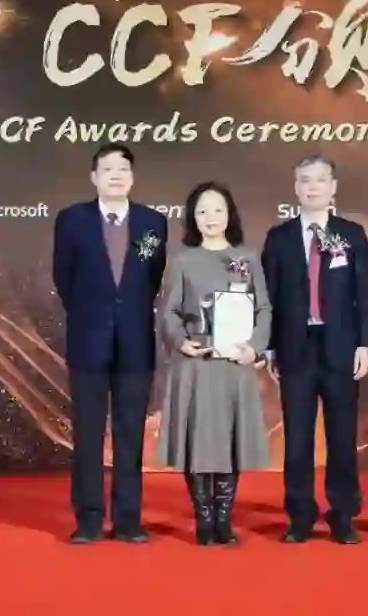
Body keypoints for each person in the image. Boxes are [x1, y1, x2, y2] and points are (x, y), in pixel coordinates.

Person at [52, 144, 168, 544]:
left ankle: (128, 519)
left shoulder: (153, 222)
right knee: (87, 435)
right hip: (88, 341)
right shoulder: (72, 220)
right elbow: (64, 279)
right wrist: (93, 314)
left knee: (130, 434)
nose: (116, 175)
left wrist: (126, 312)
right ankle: (88, 519)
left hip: (135, 342)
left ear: (131, 178)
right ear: (94, 177)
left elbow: (151, 280)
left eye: (123, 169)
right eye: (107, 169)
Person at [261, 155, 368, 544]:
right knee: (297, 437)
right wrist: (271, 346)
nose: (313, 187)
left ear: (333, 186)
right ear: (296, 187)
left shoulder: (351, 234)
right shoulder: (279, 237)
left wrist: (365, 343)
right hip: (295, 347)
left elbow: (363, 294)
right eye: (305, 180)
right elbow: (269, 297)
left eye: (320, 180)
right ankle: (300, 514)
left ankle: (343, 514)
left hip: (341, 345)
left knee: (342, 435)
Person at [156, 182, 272, 546]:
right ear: (193, 217)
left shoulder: (248, 258)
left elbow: (264, 308)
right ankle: (204, 518)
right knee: (198, 442)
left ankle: (224, 517)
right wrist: (181, 341)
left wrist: (254, 348)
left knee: (229, 441)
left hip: (234, 364)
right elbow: (169, 311)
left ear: (229, 214)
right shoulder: (183, 260)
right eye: (202, 211)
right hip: (197, 364)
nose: (210, 218)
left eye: (217, 210)